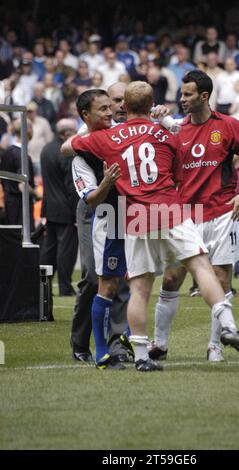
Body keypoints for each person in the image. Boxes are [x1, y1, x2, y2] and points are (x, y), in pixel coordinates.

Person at [62, 81, 239, 372]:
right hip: (169, 210)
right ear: (152, 104)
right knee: (201, 266)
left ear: (123, 107)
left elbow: (68, 146)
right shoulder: (166, 133)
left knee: (139, 288)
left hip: (135, 216)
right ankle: (227, 324)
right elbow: (178, 171)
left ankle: (142, 356)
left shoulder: (109, 137)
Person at [148, 70, 239, 362]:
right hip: (185, 216)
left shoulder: (229, 125)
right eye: (181, 94)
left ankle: (215, 346)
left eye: (187, 94)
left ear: (204, 96)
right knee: (172, 278)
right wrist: (155, 120)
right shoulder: (177, 129)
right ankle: (159, 343)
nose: (181, 99)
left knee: (222, 280)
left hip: (223, 214)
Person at [70, 83, 132, 367]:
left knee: (127, 279)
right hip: (98, 210)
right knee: (95, 280)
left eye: (114, 105)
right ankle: (84, 343)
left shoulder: (122, 131)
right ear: (85, 114)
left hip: (127, 212)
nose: (113, 111)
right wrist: (107, 182)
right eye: (105, 107)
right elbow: (92, 199)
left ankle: (122, 341)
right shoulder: (82, 149)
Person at [40, 119, 79, 296]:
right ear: (66, 134)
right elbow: (71, 186)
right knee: (66, 251)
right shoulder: (65, 152)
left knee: (49, 249)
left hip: (50, 208)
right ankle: (64, 287)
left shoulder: (46, 149)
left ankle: (41, 284)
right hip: (65, 210)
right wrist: (76, 212)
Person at [0, 119, 38, 230]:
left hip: (9, 204)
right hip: (21, 208)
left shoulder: (7, 152)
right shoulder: (22, 156)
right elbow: (22, 186)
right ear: (28, 131)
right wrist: (36, 194)